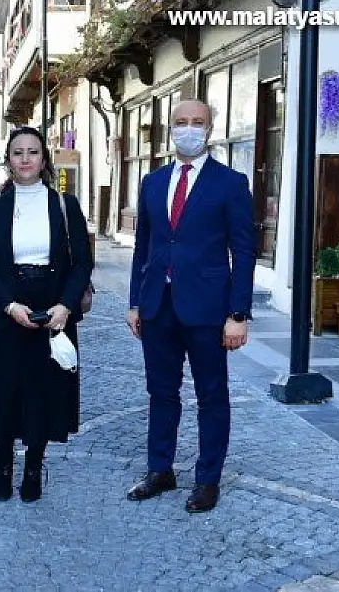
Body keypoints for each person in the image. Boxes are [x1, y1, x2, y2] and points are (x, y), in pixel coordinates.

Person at [126, 99, 255, 514]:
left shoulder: (231, 184)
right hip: (157, 306)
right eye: (181, 122)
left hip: (209, 311)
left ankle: (207, 479)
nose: (189, 128)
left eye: (197, 122)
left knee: (211, 395)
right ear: (169, 129)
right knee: (160, 392)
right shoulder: (152, 182)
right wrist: (134, 302)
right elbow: (143, 247)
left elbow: (244, 252)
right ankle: (160, 469)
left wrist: (238, 314)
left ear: (210, 129)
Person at [0, 126, 93, 503]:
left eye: (33, 152)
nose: (25, 158)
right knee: (5, 388)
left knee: (44, 389)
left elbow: (82, 263)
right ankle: (4, 462)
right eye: (18, 152)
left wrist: (66, 305)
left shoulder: (64, 205)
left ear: (44, 159)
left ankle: (35, 465)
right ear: (8, 161)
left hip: (54, 305)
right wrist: (8, 304)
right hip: (8, 306)